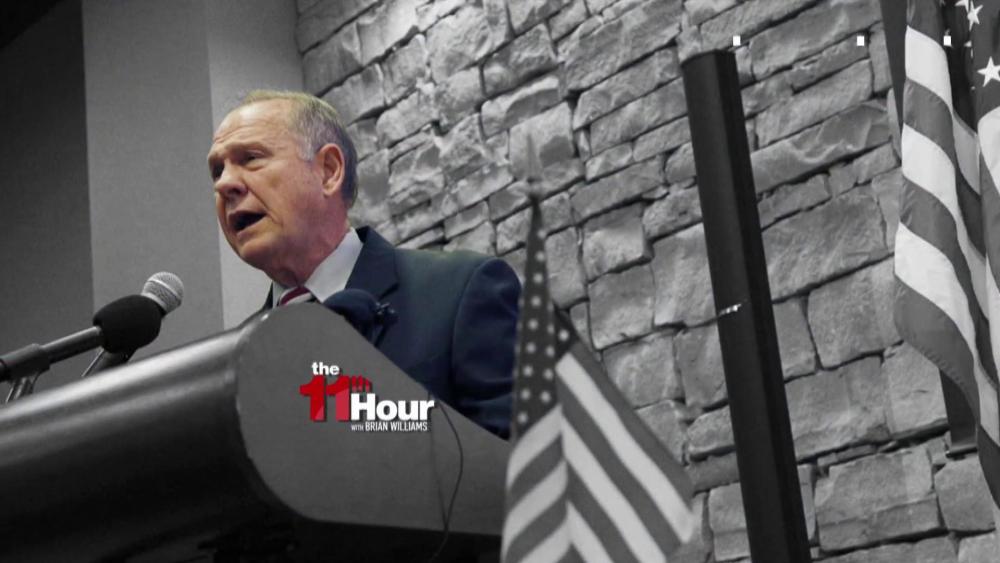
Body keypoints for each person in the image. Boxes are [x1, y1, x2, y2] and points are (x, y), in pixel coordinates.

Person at [208, 90, 520, 438]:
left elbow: (524, 459)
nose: (225, 184)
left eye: (251, 158)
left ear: (328, 171)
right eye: (217, 171)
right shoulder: (236, 362)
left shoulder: (460, 292)